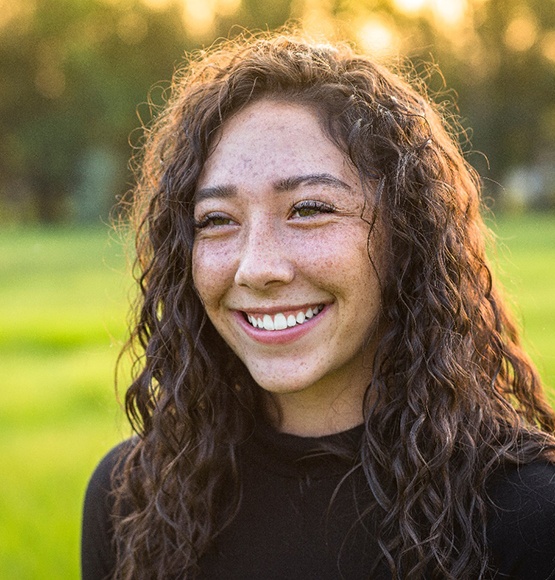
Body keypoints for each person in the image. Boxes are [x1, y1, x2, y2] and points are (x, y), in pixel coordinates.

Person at [81, 31, 555, 580]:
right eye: (217, 219)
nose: (256, 267)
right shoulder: (132, 500)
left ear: (406, 237)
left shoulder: (526, 517)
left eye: (308, 208)